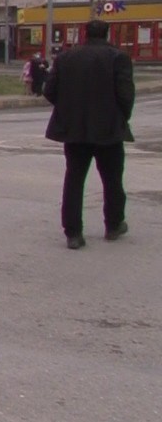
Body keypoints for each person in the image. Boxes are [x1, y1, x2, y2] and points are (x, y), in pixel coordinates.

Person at [43, 19, 135, 250]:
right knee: (112, 179)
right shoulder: (118, 57)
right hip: (108, 129)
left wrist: (67, 109)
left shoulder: (65, 58)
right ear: (106, 34)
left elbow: (49, 90)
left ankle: (73, 233)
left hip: (74, 129)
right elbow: (125, 95)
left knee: (74, 180)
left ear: (85, 33)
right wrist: (120, 116)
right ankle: (113, 224)